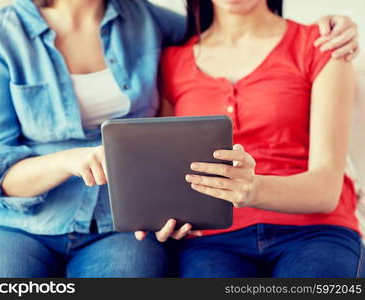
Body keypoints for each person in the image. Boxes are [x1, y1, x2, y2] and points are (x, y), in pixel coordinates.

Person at [0, 0, 360, 278]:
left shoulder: (148, 22)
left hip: (118, 228)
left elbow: (230, 26)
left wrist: (338, 24)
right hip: (16, 223)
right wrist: (69, 160)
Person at [139, 0, 364, 278]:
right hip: (213, 241)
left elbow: (326, 191)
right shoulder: (172, 61)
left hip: (315, 231)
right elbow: (172, 176)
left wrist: (254, 189)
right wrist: (161, 215)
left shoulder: (324, 44)